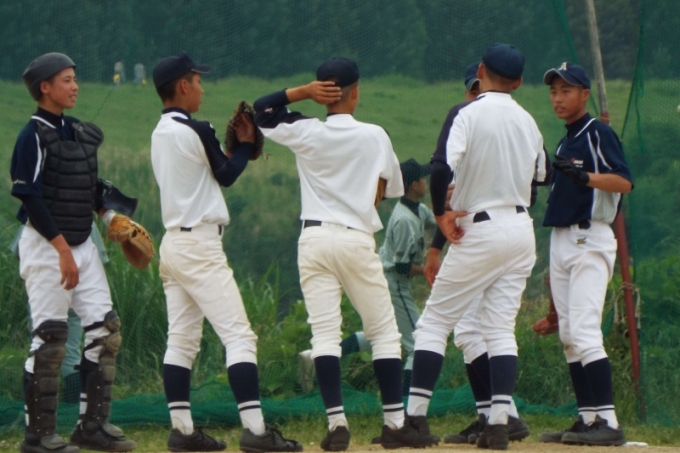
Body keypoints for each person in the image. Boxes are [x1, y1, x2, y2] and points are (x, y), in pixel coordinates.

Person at [254, 58, 437, 450]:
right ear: (355, 92)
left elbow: (261, 111)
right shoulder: (375, 135)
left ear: (323, 94)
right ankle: (395, 423)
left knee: (324, 334)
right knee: (384, 333)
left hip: (314, 239)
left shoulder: (306, 130)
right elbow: (391, 189)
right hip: (355, 238)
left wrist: (302, 92)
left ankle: (337, 424)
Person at [149, 52, 302, 453]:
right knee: (239, 336)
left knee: (181, 341)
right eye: (198, 81)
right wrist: (246, 145)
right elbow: (228, 174)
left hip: (173, 243)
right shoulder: (197, 129)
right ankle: (255, 430)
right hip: (199, 246)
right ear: (183, 85)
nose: (202, 88)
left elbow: (212, 171)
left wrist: (235, 150)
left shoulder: (159, 132)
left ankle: (182, 431)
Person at [404, 43, 546, 451]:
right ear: (518, 82)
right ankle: (498, 424)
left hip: (479, 229)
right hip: (520, 228)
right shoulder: (528, 120)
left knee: (434, 323)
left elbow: (440, 167)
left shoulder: (466, 113)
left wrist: (440, 214)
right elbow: (541, 177)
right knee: (499, 329)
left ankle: (415, 421)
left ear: (481, 71)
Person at [12, 52, 136, 453]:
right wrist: (62, 250)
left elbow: (87, 187)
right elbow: (31, 198)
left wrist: (111, 218)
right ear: (45, 87)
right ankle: (38, 437)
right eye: (66, 80)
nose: (75, 86)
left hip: (81, 243)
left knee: (105, 331)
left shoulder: (79, 132)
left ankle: (92, 426)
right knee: (50, 339)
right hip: (46, 246)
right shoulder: (31, 136)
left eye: (74, 78)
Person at [538, 62, 632, 447]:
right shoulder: (565, 141)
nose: (558, 98)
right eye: (554, 91)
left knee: (584, 331)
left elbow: (624, 181)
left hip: (590, 237)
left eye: (566, 90)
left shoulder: (598, 133)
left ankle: (608, 422)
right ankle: (589, 418)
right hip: (562, 239)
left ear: (584, 94)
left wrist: (586, 177)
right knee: (568, 334)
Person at [298, 158, 436, 397]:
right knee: (419, 342)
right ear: (414, 185)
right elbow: (402, 266)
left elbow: (435, 224)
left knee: (382, 334)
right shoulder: (404, 219)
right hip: (394, 282)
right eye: (423, 179)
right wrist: (428, 270)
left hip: (390, 278)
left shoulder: (419, 210)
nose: (426, 183)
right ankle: (405, 401)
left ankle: (316, 357)